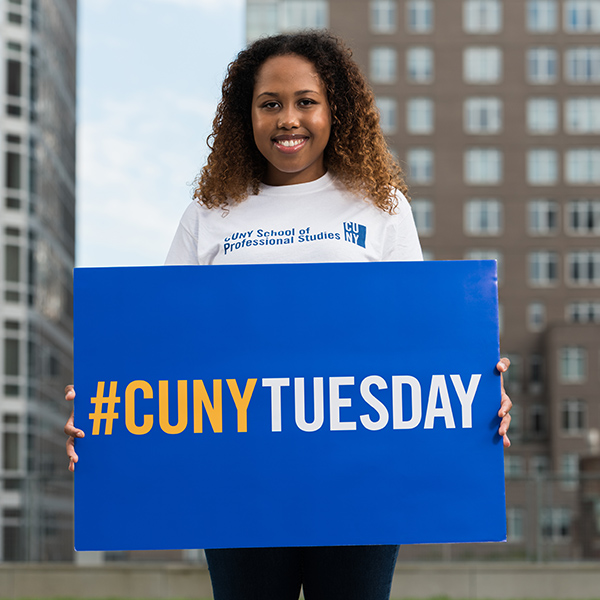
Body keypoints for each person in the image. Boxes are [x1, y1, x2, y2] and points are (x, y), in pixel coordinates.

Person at [65, 30, 512, 600]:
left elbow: (419, 341)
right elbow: (162, 345)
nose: (288, 119)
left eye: (306, 101)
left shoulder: (379, 207)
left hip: (359, 482)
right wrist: (104, 407)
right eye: (269, 104)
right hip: (238, 481)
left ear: (334, 111)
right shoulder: (210, 214)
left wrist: (479, 390)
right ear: (245, 116)